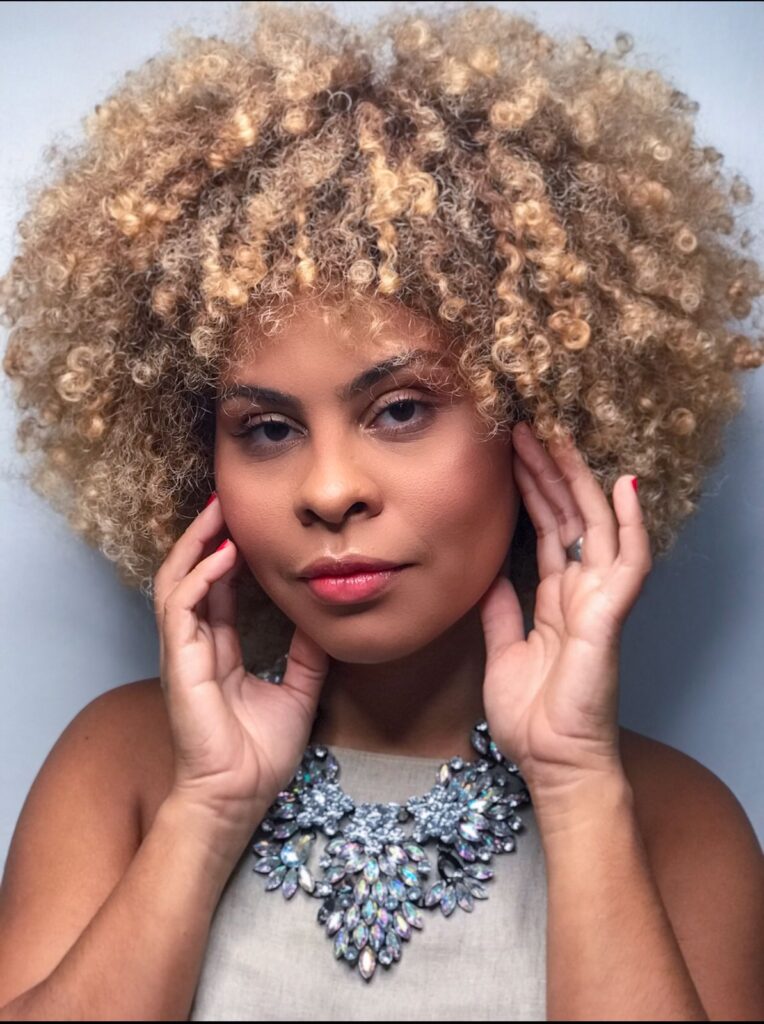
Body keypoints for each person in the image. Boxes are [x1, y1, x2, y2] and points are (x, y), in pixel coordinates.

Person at [0, 1, 762, 1019]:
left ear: (540, 420)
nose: (328, 491)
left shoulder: (677, 823)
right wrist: (209, 809)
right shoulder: (124, 765)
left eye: (399, 409)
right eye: (267, 428)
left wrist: (576, 786)